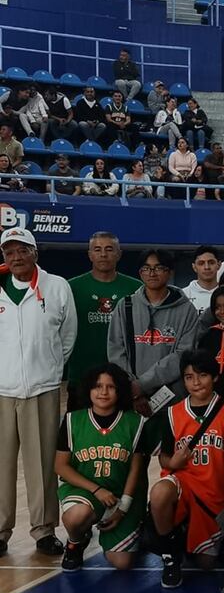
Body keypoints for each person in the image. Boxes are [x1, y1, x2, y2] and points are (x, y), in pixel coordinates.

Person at [0, 227, 77, 556]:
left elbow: (68, 334)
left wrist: (51, 370)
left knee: (43, 462)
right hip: (2, 390)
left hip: (43, 388)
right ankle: (1, 531)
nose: (16, 257)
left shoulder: (57, 286)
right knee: (1, 465)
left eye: (22, 250)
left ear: (35, 253)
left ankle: (44, 529)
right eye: (10, 251)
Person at [150, 349, 224, 588]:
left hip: (215, 495)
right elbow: (164, 459)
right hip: (184, 485)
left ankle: (184, 535)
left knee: (206, 563)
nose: (196, 382)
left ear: (215, 376)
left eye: (202, 375)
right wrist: (172, 464)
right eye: (189, 377)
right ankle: (170, 555)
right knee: (159, 493)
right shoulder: (172, 413)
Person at [56, 364, 151, 572]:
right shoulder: (73, 420)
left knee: (122, 563)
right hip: (86, 491)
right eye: (98, 386)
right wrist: (97, 490)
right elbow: (61, 466)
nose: (103, 392)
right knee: (75, 516)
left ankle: (137, 527)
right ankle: (75, 541)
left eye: (111, 387)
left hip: (120, 495)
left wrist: (123, 508)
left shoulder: (135, 423)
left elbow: (136, 470)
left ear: (120, 391)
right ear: (88, 389)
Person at [107, 249, 200, 417]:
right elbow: (116, 351)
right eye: (146, 268)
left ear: (170, 272)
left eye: (158, 268)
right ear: (140, 272)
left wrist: (142, 385)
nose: (152, 273)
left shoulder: (186, 310)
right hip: (131, 397)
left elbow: (183, 355)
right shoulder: (126, 306)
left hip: (172, 398)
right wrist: (133, 390)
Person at [65, 232, 141, 410]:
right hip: (82, 376)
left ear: (119, 253)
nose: (103, 254)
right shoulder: (70, 287)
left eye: (109, 249)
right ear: (90, 254)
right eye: (97, 249)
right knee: (79, 432)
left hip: (122, 377)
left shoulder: (136, 288)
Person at [182, 245, 221, 313]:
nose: (207, 267)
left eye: (211, 262)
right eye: (201, 263)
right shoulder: (183, 295)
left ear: (219, 265)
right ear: (194, 267)